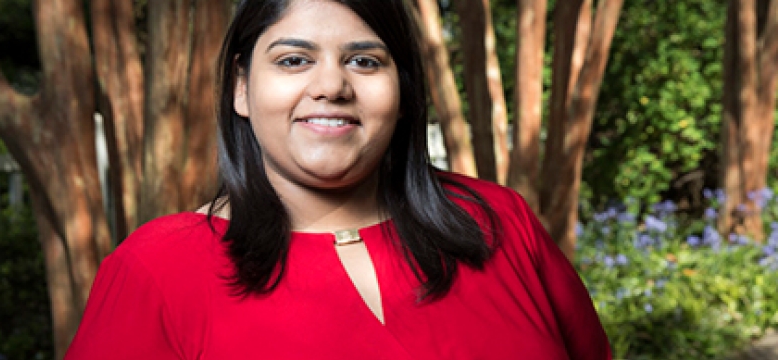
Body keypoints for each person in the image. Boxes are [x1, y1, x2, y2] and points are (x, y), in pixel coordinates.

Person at [65, 0, 612, 359]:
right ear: (240, 89)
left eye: (366, 62)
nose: (331, 85)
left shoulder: (498, 223)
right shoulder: (155, 270)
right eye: (293, 60)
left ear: (403, 93)